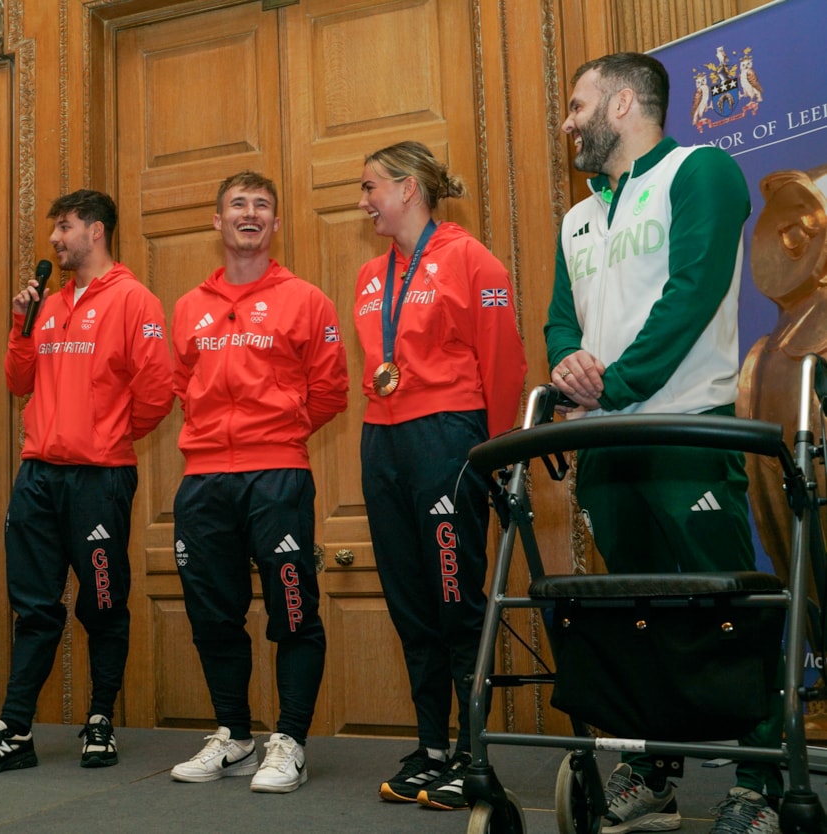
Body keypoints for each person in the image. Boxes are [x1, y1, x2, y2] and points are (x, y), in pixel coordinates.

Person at [546, 52, 780, 834]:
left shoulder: (700, 171)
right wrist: (567, 363)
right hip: (608, 445)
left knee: (721, 604)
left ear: (621, 103)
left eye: (578, 105)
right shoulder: (576, 216)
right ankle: (650, 774)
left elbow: (694, 291)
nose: (568, 121)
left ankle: (762, 780)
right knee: (632, 611)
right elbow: (560, 320)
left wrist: (609, 383)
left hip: (688, 428)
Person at [0, 189, 172, 776]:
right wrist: (21, 327)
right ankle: (15, 727)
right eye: (55, 229)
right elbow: (18, 380)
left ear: (96, 231)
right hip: (38, 477)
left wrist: (106, 434)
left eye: (65, 227)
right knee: (34, 607)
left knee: (102, 604)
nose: (54, 239)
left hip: (99, 480)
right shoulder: (46, 307)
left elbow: (156, 393)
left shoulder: (135, 301)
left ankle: (100, 720)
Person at [352, 142, 527, 809]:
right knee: (411, 605)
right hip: (381, 440)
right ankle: (432, 746)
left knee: (455, 603)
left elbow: (502, 362)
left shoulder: (470, 258)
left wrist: (497, 455)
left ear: (407, 187)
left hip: (448, 440)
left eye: (371, 187)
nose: (364, 200)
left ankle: (474, 755)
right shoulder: (372, 276)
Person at [167, 171, 348, 794]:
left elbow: (330, 390)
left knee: (292, 611)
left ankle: (290, 740)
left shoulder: (307, 300)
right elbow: (177, 385)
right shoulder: (189, 306)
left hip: (278, 477)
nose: (250, 214)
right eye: (238, 205)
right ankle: (234, 735)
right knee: (213, 615)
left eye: (262, 206)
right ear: (217, 222)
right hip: (203, 482)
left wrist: (282, 428)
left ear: (275, 223)